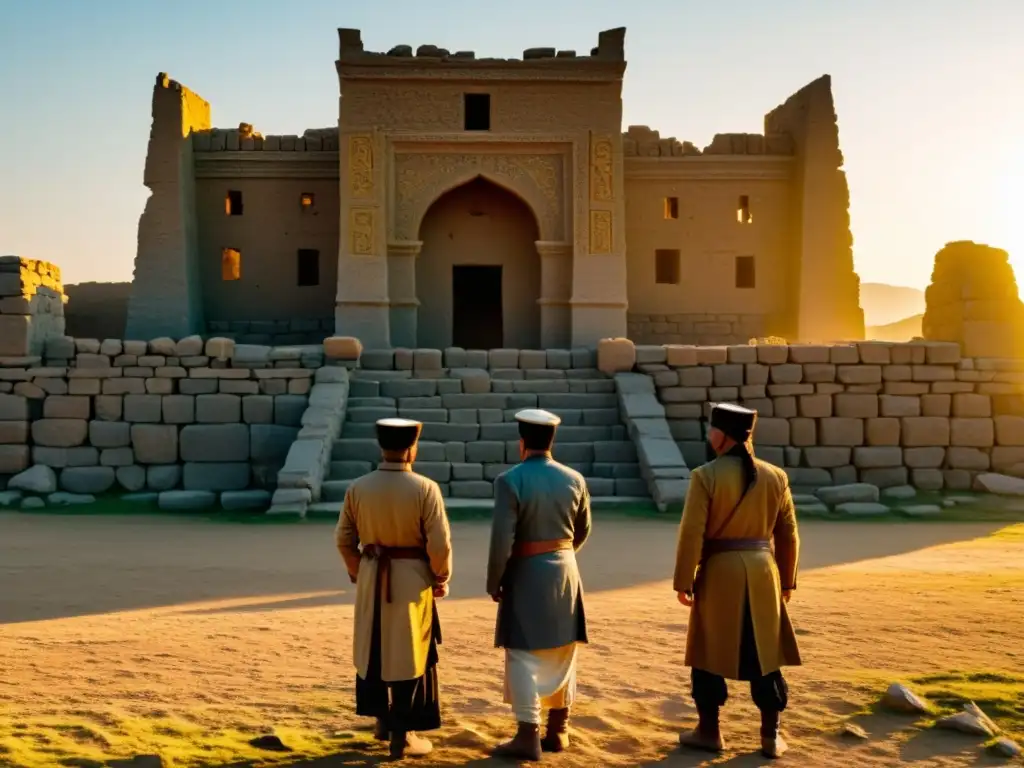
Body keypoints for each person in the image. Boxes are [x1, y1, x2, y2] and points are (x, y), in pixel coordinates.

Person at [673, 402, 801, 760]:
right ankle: (770, 735)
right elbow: (788, 534)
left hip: (719, 573)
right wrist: (787, 580)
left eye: (710, 429)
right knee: (765, 652)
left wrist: (685, 579)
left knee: (708, 650)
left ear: (721, 435)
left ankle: (709, 731)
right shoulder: (776, 476)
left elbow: (692, 533)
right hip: (763, 572)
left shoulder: (705, 475)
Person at [335, 417, 453, 760]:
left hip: (373, 577)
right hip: (412, 580)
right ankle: (402, 735)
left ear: (381, 447)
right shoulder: (425, 488)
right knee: (409, 654)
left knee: (375, 650)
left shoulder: (358, 487)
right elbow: (440, 543)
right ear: (412, 447)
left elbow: (343, 539)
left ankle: (382, 723)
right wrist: (440, 577)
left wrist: (361, 570)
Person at [486, 408, 592, 761]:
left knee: (521, 653)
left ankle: (527, 735)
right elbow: (583, 530)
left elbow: (503, 538)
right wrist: (561, 553)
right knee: (564, 647)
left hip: (527, 571)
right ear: (552, 441)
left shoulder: (509, 480)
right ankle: (558, 729)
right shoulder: (574, 478)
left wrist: (496, 579)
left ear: (522, 443)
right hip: (566, 569)